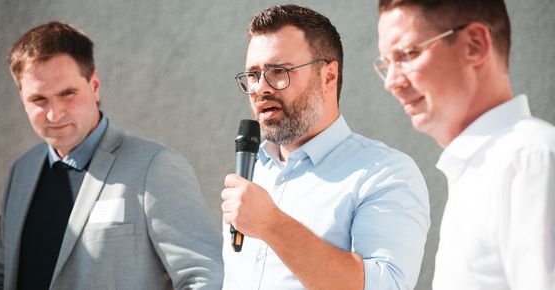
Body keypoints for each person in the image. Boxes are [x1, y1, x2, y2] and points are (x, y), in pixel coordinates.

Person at [0, 21, 223, 290]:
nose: (54, 114)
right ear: (22, 97)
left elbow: (206, 277)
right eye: (39, 99)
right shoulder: (22, 171)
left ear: (94, 85)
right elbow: (3, 276)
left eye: (67, 94)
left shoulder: (154, 167)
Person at [221, 4, 430, 290]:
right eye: (254, 75)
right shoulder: (253, 172)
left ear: (328, 76)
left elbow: (386, 286)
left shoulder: (384, 173)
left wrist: (272, 225)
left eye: (278, 71)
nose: (260, 88)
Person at [375, 0, 555, 289]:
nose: (391, 82)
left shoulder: (531, 160)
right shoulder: (479, 169)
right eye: (386, 63)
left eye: (407, 54)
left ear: (474, 44)